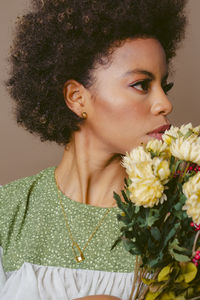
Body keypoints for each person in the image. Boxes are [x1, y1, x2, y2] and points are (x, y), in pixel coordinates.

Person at [0, 0, 188, 299]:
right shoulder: (7, 211)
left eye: (165, 86)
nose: (165, 104)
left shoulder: (179, 219)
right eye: (141, 84)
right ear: (77, 98)